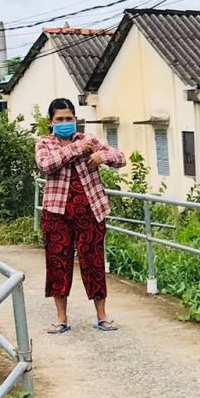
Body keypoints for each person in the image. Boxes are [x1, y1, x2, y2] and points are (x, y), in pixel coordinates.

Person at [34, 98, 126, 334]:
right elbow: (46, 165)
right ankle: (61, 318)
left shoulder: (89, 140)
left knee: (93, 261)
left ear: (76, 119)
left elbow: (120, 158)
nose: (65, 123)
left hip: (90, 210)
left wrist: (101, 157)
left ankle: (102, 316)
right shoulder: (44, 143)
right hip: (57, 213)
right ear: (51, 122)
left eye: (69, 118)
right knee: (58, 263)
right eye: (60, 119)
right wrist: (75, 150)